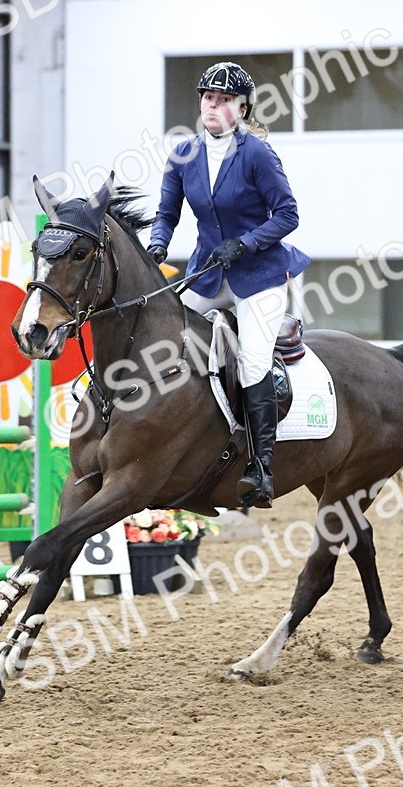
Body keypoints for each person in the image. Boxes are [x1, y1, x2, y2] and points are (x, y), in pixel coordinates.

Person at [147, 61, 311, 509]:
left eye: (223, 100)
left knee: (254, 362)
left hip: (258, 277)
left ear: (242, 108)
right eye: (207, 98)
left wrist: (245, 243)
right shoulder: (183, 154)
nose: (213, 106)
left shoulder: (257, 154)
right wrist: (157, 247)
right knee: (169, 343)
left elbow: (288, 215)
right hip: (208, 272)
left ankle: (260, 468)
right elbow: (167, 215)